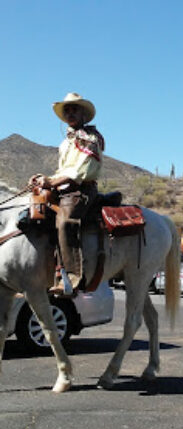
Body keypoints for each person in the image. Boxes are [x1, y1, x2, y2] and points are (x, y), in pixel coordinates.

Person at [30, 92, 104, 293]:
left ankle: (71, 277)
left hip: (81, 189)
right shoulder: (66, 142)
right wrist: (43, 179)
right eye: (67, 111)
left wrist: (51, 181)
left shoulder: (90, 138)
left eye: (74, 109)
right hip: (62, 188)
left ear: (83, 114)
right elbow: (63, 171)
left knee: (65, 222)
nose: (70, 114)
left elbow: (79, 171)